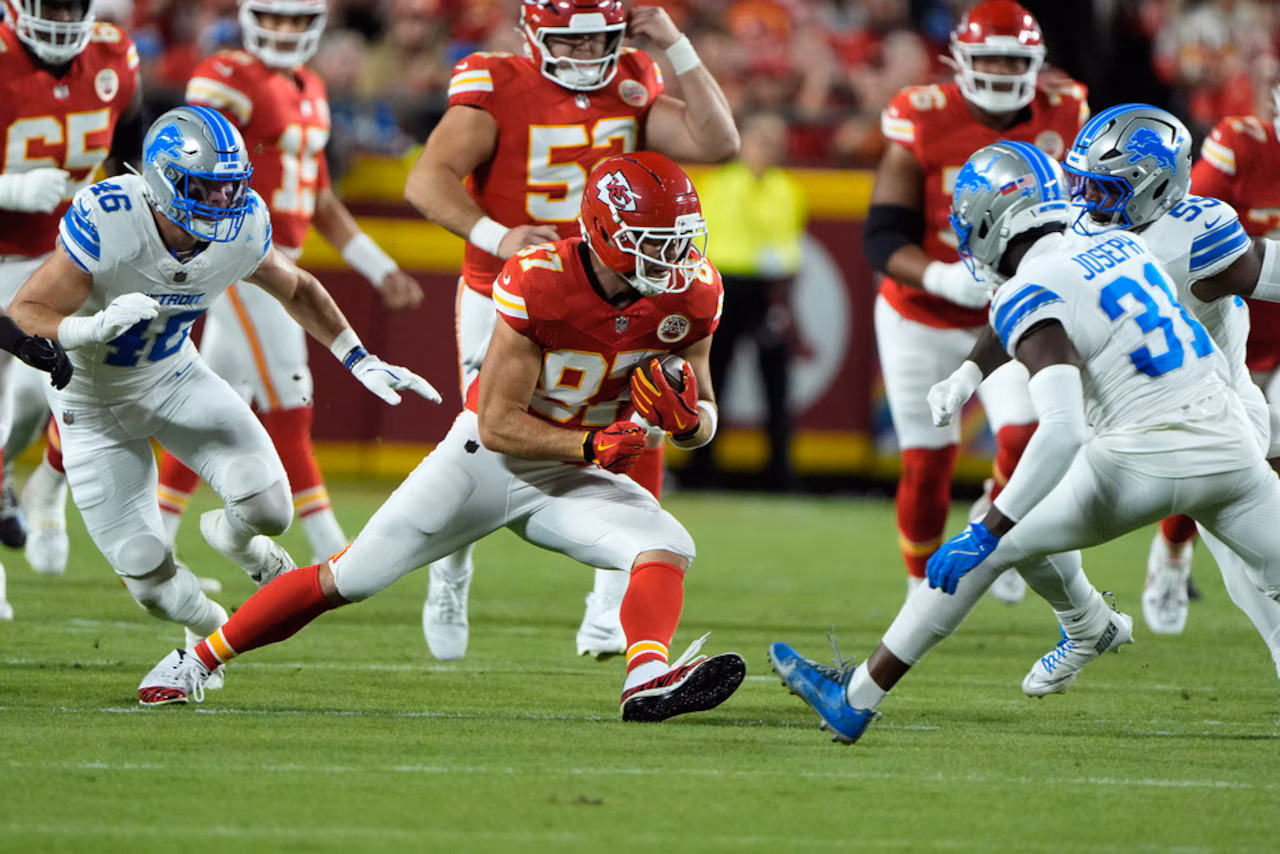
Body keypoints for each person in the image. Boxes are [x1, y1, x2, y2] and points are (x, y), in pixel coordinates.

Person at [136, 152, 747, 725]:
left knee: (666, 543)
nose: (674, 259)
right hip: (488, 462)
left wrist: (690, 423)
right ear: (606, 235)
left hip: (577, 469)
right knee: (351, 578)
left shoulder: (695, 293)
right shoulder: (541, 281)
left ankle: (645, 679)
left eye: (680, 241)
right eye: (655, 244)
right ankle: (196, 660)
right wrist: (590, 447)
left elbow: (705, 414)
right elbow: (498, 423)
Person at [770, 140, 1280, 745]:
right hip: (1232, 448)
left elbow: (1060, 429)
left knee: (991, 540)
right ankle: (1088, 624)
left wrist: (990, 530)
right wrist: (967, 374)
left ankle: (856, 697)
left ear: (989, 224)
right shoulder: (1117, 241)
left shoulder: (1028, 290)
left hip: (1138, 460)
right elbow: (1042, 306)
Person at [7, 106, 440, 660]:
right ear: (164, 180)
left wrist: (357, 357)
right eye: (205, 189)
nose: (221, 203)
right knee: (145, 572)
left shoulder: (244, 225)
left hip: (174, 377)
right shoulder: (112, 215)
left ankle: (236, 540)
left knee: (270, 510)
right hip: (91, 403)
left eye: (230, 188)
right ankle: (208, 622)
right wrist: (89, 327)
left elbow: (298, 287)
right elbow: (23, 313)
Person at [403, 0, 738, 661]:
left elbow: (719, 142)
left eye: (600, 42)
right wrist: (498, 236)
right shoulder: (496, 83)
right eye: (571, 44)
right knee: (481, 433)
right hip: (513, 292)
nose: (589, 57)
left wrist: (673, 42)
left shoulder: (635, 77)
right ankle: (450, 569)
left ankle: (607, 610)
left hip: (618, 286)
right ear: (536, 34)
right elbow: (425, 179)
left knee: (643, 422)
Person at [930, 104, 1280, 674]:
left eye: (1104, 187)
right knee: (1019, 516)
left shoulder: (1194, 235)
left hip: (1218, 407)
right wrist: (968, 373)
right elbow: (1026, 308)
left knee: (1247, 565)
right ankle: (1089, 623)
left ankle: (1146, 582)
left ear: (1154, 185)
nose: (1086, 199)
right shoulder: (1077, 227)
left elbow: (1266, 269)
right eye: (1083, 182)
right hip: (1126, 416)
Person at [145, 0, 425, 573]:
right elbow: (186, 151)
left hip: (281, 260)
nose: (284, 30)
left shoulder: (312, 88)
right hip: (240, 255)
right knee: (290, 398)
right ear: (252, 18)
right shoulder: (228, 76)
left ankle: (154, 537)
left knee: (214, 404)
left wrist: (379, 267)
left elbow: (319, 198)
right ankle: (335, 552)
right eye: (274, 17)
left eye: (297, 20)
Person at [862, 0, 1088, 605]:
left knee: (1027, 432)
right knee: (927, 464)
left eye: (1012, 58)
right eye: (987, 55)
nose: (998, 68)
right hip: (920, 313)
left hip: (1008, 310)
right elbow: (882, 235)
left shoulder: (1066, 108)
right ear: (958, 59)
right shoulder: (923, 113)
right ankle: (919, 587)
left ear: (1036, 61)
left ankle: (995, 511)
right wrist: (939, 278)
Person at [0, 0, 143, 612]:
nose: (60, 15)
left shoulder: (115, 54)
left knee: (55, 392)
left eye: (70, 4)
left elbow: (132, 156)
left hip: (64, 256)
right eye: (48, 3)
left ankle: (42, 487)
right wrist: (8, 187)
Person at [1138, 83, 1280, 635]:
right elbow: (1180, 230)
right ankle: (1171, 556)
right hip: (1221, 340)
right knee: (1213, 469)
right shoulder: (1241, 147)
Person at [685, 109, 807, 491]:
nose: (769, 150)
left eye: (776, 144)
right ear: (745, 144)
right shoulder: (717, 184)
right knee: (711, 378)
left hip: (768, 289)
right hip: (722, 286)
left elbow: (788, 244)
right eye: (763, 141)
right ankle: (701, 469)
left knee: (776, 383)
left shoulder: (787, 188)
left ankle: (780, 473)